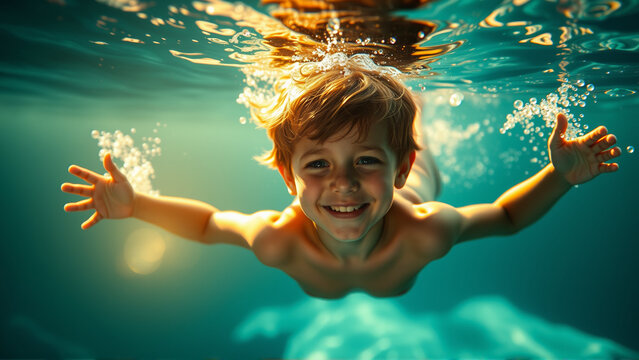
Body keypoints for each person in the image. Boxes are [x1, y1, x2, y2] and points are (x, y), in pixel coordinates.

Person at [61, 61, 621, 299]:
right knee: (378, 129)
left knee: (413, 136)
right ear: (287, 176)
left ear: (394, 170)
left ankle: (412, 126)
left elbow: (504, 217)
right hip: (400, 171)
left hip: (420, 179)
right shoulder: (278, 240)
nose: (344, 184)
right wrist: (138, 205)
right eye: (318, 165)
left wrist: (559, 175)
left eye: (366, 163)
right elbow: (210, 224)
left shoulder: (424, 230)